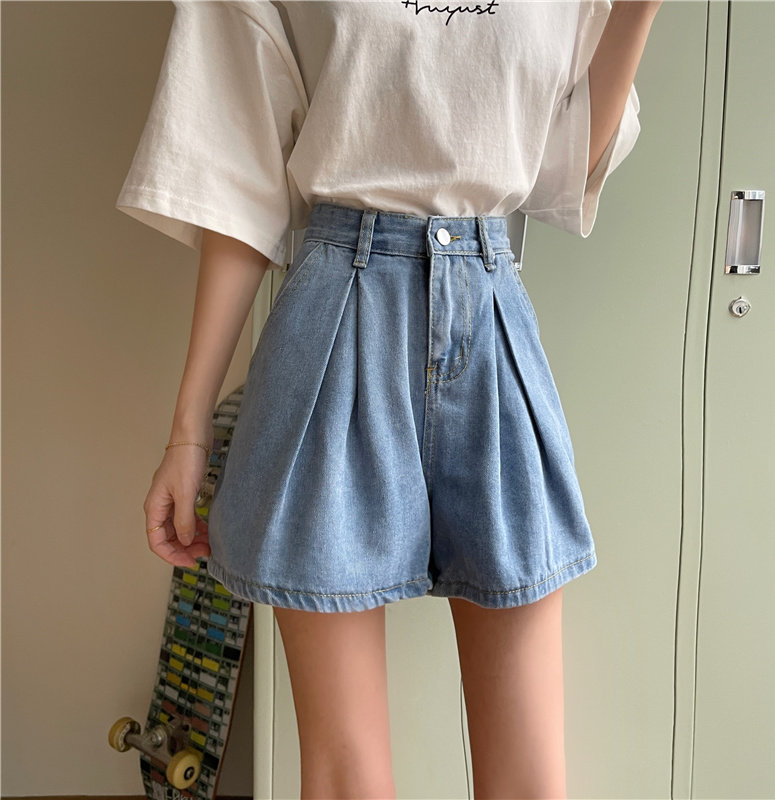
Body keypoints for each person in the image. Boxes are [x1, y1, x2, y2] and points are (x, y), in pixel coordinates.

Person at [117, 1, 661, 796]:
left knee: (533, 777)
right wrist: (187, 431)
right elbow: (235, 174)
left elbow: (562, 170)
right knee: (349, 779)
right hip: (335, 318)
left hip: (491, 320)